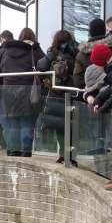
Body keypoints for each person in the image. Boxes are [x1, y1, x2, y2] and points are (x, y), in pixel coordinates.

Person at [0, 27, 46, 156]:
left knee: (13, 125)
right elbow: (44, 67)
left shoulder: (5, 51)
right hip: (28, 93)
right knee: (27, 123)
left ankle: (13, 152)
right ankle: (25, 154)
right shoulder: (34, 50)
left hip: (8, 92)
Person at [37, 30, 79, 162]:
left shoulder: (53, 53)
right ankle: (71, 155)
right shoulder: (76, 52)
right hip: (72, 93)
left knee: (60, 126)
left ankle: (63, 154)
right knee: (72, 124)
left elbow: (41, 67)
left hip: (55, 93)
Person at [74, 19, 112, 88]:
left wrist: (92, 88)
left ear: (90, 32)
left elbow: (78, 81)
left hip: (90, 95)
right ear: (105, 31)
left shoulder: (82, 54)